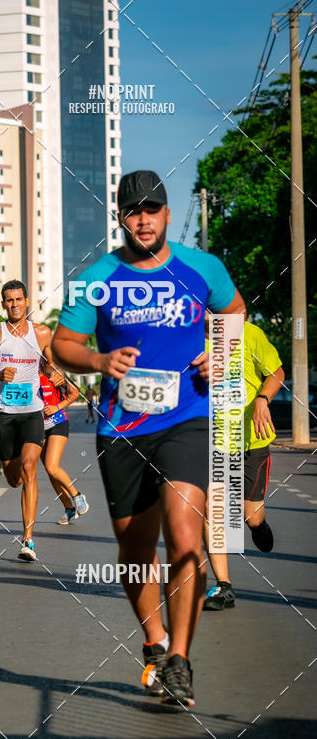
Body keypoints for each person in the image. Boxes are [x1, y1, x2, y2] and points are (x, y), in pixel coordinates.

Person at [52, 169, 246, 706]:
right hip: (123, 427)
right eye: (133, 211)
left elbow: (234, 313)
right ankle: (155, 643)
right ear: (120, 217)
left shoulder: (203, 267)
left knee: (184, 535)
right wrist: (98, 360)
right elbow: (62, 344)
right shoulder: (96, 277)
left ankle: (180, 660)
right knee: (136, 550)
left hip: (188, 417)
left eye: (152, 209)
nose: (143, 219)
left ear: (166, 213)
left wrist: (220, 354)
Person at [0, 279, 53, 562]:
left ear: (27, 301)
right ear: (3, 304)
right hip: (4, 412)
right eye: (9, 300)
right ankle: (3, 459)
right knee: (14, 480)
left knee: (30, 468)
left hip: (32, 411)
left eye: (19, 299)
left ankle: (28, 540)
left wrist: (55, 374)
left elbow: (50, 365)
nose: (15, 304)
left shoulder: (42, 333)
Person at [203, 320, 285, 610]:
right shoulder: (186, 338)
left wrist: (263, 399)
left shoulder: (248, 333)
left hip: (252, 440)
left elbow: (276, 372)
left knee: (250, 516)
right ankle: (223, 586)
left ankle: (258, 525)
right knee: (211, 510)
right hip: (211, 441)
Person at [39, 360, 89, 524]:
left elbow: (75, 392)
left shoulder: (50, 369)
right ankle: (69, 509)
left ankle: (77, 495)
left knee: (52, 466)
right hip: (38, 427)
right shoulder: (23, 374)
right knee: (50, 472)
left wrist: (57, 407)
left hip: (57, 423)